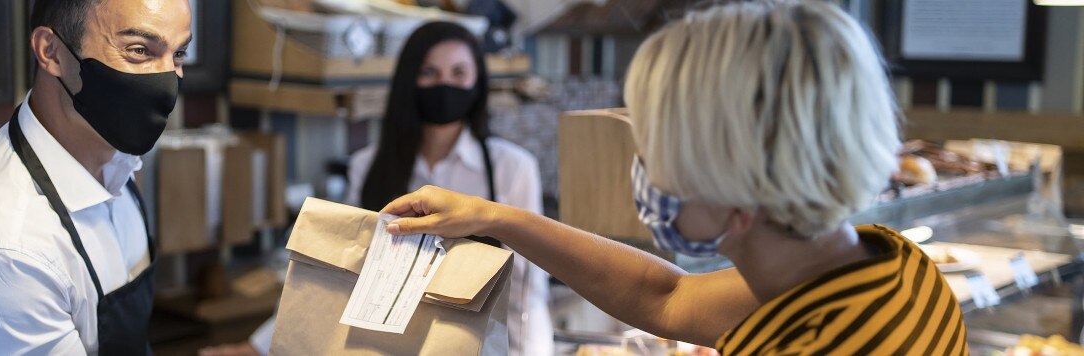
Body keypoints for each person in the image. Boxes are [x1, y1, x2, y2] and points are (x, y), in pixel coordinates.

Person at [378, 1, 969, 354]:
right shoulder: (891, 264)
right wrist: (497, 217)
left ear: (736, 200)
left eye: (657, 146)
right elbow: (667, 296)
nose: (644, 167)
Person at [203, 22, 553, 356]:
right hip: (390, 345)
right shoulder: (369, 166)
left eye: (458, 73)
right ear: (409, 81)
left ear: (477, 82)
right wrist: (261, 344)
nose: (444, 84)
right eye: (429, 72)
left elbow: (528, 286)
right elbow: (339, 268)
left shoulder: (512, 168)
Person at [0, 0, 190, 354]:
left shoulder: (117, 165)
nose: (166, 82)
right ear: (51, 52)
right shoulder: (4, 252)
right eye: (140, 50)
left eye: (178, 55)